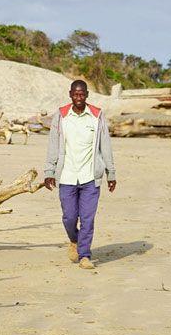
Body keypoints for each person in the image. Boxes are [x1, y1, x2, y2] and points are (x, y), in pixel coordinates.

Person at [43, 80, 117, 269]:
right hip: (66, 176)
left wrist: (111, 173)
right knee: (69, 217)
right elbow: (53, 145)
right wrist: (49, 171)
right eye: (75, 94)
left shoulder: (97, 115)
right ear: (70, 94)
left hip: (90, 177)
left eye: (82, 94)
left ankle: (85, 255)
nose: (79, 98)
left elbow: (105, 145)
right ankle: (74, 240)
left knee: (87, 219)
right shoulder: (61, 115)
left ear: (86, 95)